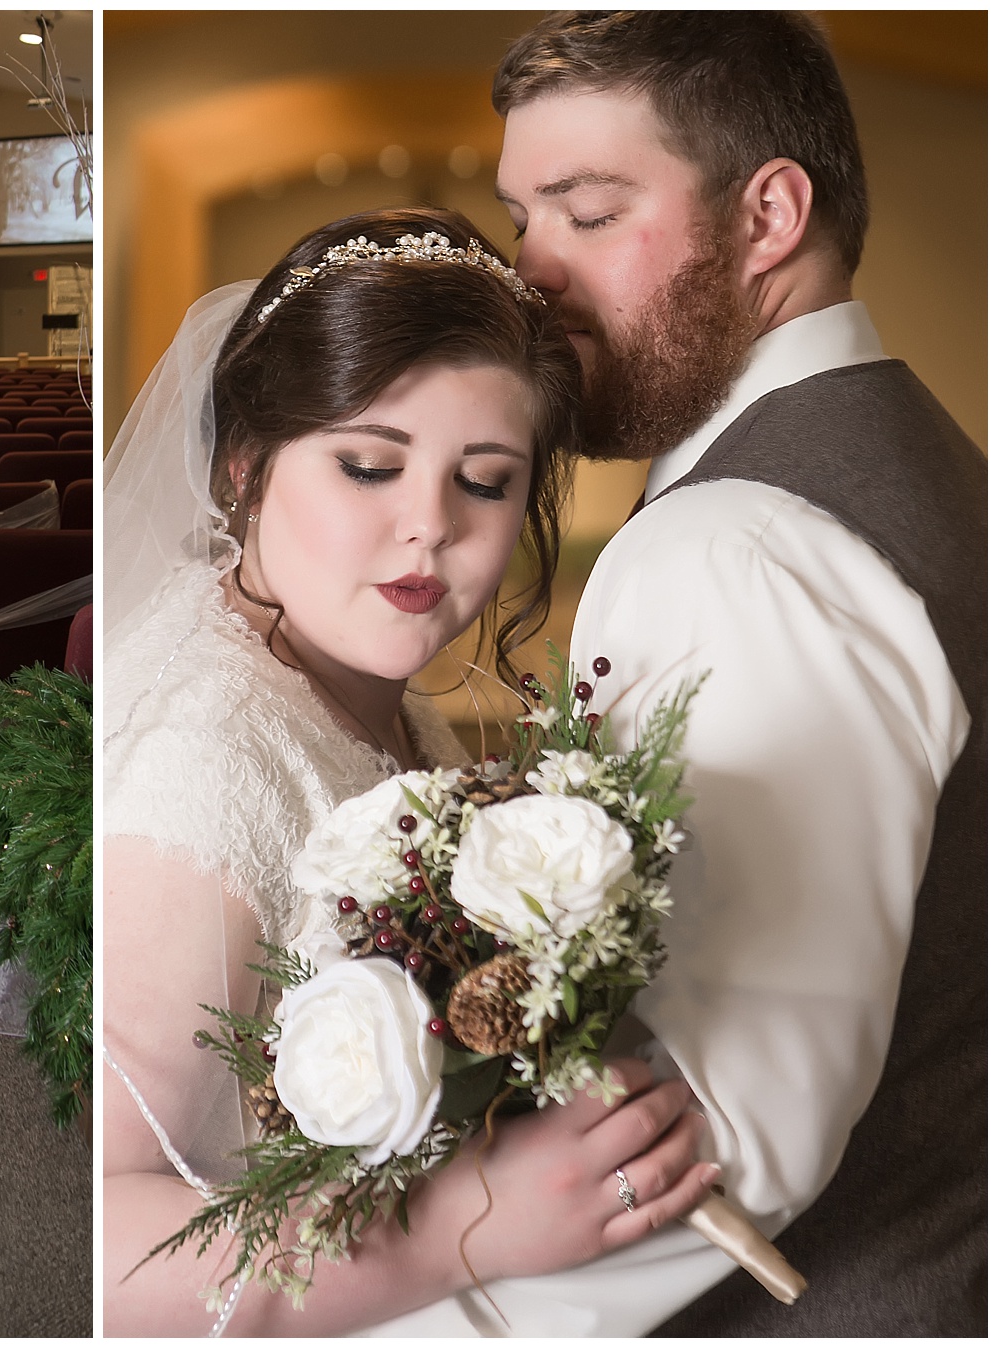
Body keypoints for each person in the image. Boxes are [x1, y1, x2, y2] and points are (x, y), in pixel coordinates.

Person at [102, 205, 720, 1337]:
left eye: (483, 482)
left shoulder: (383, 707)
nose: (427, 526)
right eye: (369, 465)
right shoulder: (200, 763)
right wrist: (463, 1224)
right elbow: (99, 1237)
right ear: (244, 463)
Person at [474, 11, 982, 1335]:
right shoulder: (922, 453)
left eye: (587, 213)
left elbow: (722, 1137)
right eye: (521, 217)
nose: (530, 273)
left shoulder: (737, 546)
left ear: (768, 216)